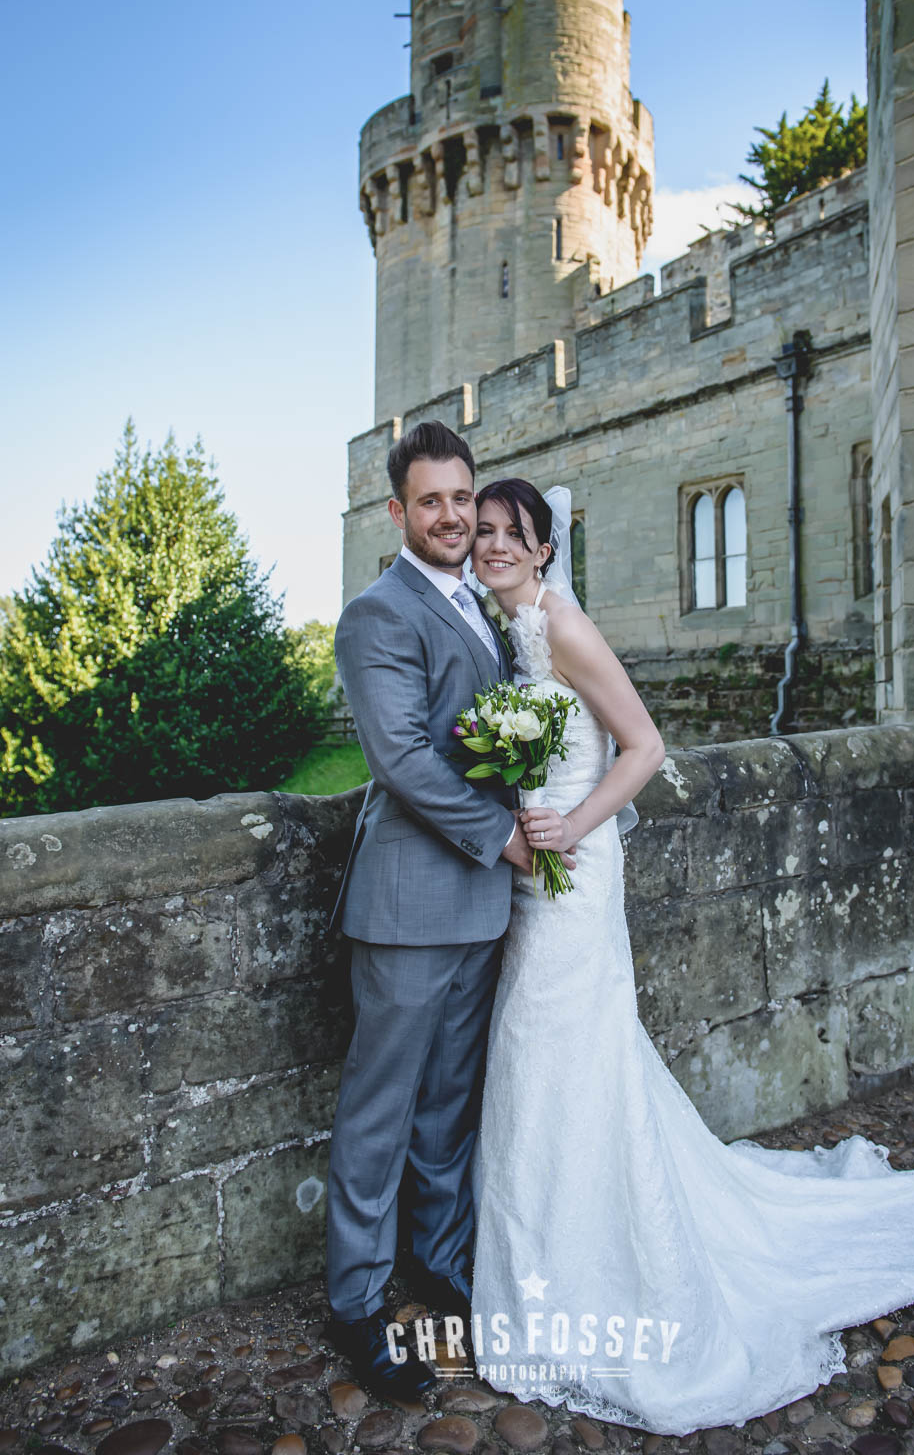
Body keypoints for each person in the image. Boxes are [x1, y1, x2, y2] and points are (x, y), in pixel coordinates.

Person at [467, 477, 914, 1436]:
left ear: (546, 549)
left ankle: (592, 1274)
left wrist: (572, 829)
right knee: (553, 1058)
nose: (495, 545)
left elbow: (644, 747)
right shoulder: (510, 633)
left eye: (515, 534)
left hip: (574, 879)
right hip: (531, 876)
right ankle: (551, 1256)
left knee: (553, 1046)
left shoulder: (565, 628)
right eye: (485, 532)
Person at [325, 424, 574, 1404]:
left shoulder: (482, 604)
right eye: (430, 500)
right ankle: (355, 1302)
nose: (451, 516)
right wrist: (505, 837)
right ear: (399, 511)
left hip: (478, 910)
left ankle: (440, 1264)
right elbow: (402, 759)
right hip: (407, 907)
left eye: (462, 498)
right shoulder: (377, 615)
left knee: (447, 1111)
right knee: (380, 1113)